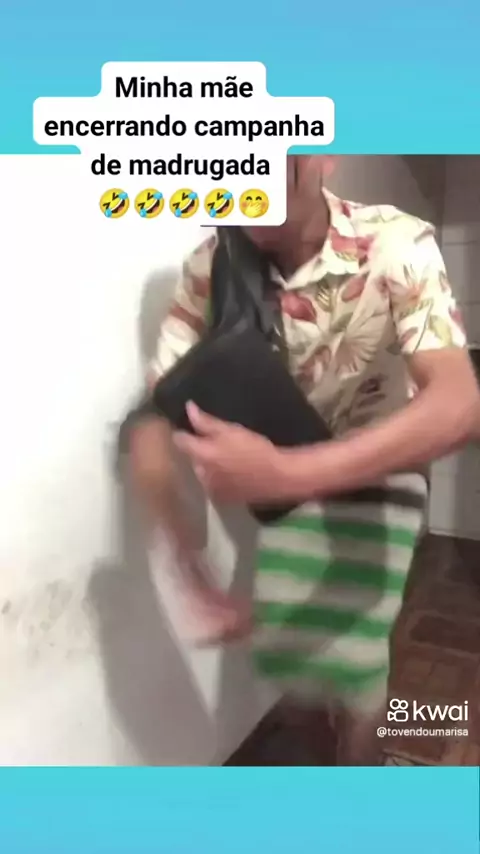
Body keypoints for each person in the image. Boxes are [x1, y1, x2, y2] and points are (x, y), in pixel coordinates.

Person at [126, 155, 480, 764]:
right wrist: (189, 567)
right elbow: (151, 422)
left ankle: (361, 779)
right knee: (294, 671)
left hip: (384, 467)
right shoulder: (212, 265)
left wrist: (285, 473)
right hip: (287, 486)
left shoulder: (396, 242)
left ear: (321, 156)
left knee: (358, 667)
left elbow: (460, 405)